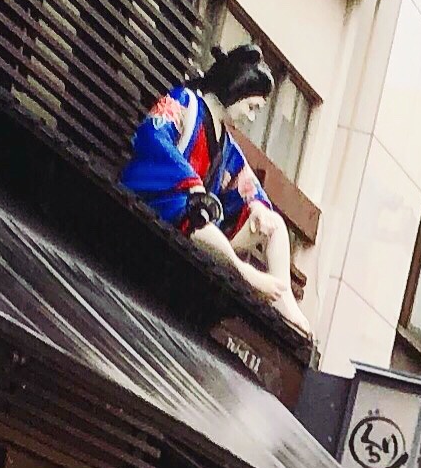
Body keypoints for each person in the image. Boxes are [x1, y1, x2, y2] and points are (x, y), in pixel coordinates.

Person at [122, 43, 305, 316]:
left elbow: (246, 185)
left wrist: (255, 208)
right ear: (236, 89)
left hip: (200, 215)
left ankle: (283, 297)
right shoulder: (185, 102)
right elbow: (153, 136)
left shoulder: (227, 144)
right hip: (163, 201)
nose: (251, 117)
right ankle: (242, 271)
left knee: (272, 223)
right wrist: (191, 182)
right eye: (251, 107)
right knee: (200, 219)